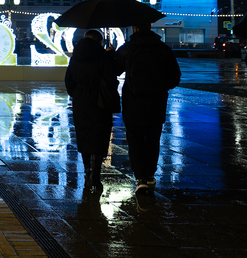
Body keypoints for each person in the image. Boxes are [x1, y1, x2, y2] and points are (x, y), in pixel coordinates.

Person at [113, 21, 181, 194]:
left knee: (134, 140)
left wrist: (109, 55)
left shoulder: (127, 48)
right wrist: (160, 86)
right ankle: (150, 175)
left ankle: (140, 177)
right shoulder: (163, 48)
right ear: (150, 27)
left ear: (134, 28)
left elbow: (114, 70)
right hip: (156, 103)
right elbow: (175, 77)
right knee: (152, 139)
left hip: (133, 103)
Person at [65, 30, 117, 191]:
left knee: (84, 135)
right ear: (99, 41)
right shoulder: (103, 56)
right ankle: (95, 174)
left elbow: (69, 81)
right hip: (100, 101)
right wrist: (110, 57)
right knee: (99, 136)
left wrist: (78, 94)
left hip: (81, 101)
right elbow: (111, 79)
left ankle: (87, 170)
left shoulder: (75, 57)